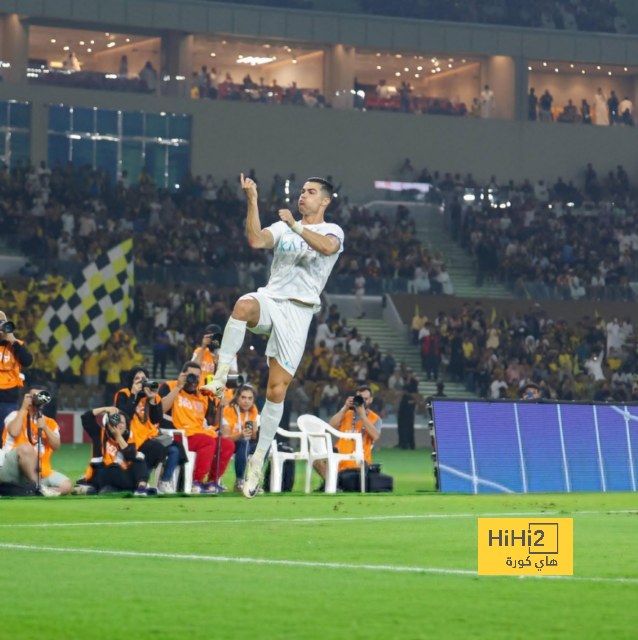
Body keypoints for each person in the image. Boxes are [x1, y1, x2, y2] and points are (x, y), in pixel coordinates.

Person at [202, 174, 344, 498]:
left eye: (311, 192)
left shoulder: (331, 230)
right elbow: (256, 239)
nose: (303, 196)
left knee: (276, 390)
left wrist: (295, 225)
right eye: (302, 191)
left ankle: (256, 461)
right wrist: (252, 200)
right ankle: (221, 375)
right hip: (272, 299)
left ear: (325, 200)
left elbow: (326, 248)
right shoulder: (283, 227)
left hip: (299, 312)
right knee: (242, 305)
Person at [159, 362, 235, 494]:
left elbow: (212, 423)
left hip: (198, 434)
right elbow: (159, 410)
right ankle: (196, 482)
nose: (194, 379)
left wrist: (220, 406)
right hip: (178, 435)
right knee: (208, 441)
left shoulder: (203, 395)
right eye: (191, 375)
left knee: (227, 444)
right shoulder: (169, 386)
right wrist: (178, 387)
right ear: (182, 375)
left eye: (197, 376)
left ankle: (211, 482)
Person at [115, 367, 185, 494]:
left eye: (143, 379)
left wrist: (152, 400)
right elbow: (124, 416)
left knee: (176, 448)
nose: (140, 382)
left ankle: (164, 481)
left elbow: (156, 420)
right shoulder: (123, 394)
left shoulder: (152, 395)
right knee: (156, 448)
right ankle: (142, 482)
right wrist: (134, 395)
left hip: (150, 435)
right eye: (137, 379)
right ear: (131, 381)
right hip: (132, 437)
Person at [3, 386, 71, 495]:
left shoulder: (49, 422)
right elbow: (14, 432)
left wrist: (45, 428)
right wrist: (24, 407)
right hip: (13, 469)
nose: (37, 399)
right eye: (34, 396)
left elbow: (56, 445)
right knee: (26, 447)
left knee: (66, 485)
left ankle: (40, 491)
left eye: (40, 396)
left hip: (39, 471)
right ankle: (36, 486)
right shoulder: (15, 415)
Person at [314, 385, 381, 488]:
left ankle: (332, 485)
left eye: (366, 399)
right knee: (316, 459)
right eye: (360, 398)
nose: (363, 401)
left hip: (360, 461)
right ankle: (334, 485)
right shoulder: (346, 414)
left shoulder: (374, 418)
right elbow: (330, 427)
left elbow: (375, 436)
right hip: (339, 458)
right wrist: (344, 408)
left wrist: (363, 415)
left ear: (371, 400)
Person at [81, 404, 153, 496]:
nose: (118, 425)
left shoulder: (130, 437)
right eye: (115, 421)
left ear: (127, 426)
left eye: (122, 422)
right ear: (108, 423)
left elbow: (130, 456)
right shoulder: (100, 434)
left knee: (139, 459)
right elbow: (86, 417)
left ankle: (141, 488)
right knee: (113, 467)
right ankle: (111, 489)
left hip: (123, 477)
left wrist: (118, 436)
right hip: (102, 475)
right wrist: (105, 409)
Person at [0, 311, 33, 441]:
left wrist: (12, 340)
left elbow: (28, 361)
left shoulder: (16, 345)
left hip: (9, 400)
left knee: (7, 437)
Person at [221, 385, 259, 492]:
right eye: (243, 397)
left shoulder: (253, 410)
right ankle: (239, 481)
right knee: (243, 442)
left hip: (245, 442)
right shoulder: (228, 410)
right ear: (238, 398)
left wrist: (260, 435)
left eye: (250, 398)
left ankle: (253, 481)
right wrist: (241, 435)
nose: (246, 401)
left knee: (264, 446)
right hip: (232, 443)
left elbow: (253, 436)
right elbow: (225, 438)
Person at [397, 369, 418, 450]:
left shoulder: (414, 382)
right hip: (405, 403)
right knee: (403, 424)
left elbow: (409, 389)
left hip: (409, 403)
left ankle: (408, 444)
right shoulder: (405, 380)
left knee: (408, 424)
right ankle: (403, 442)